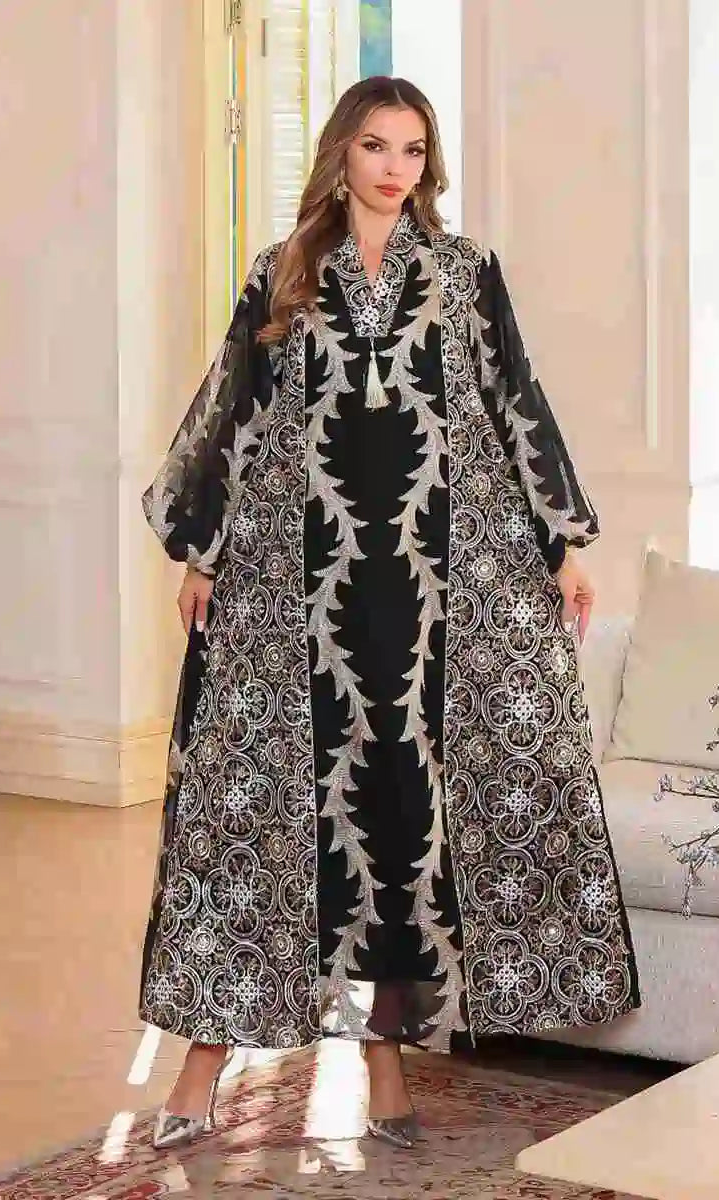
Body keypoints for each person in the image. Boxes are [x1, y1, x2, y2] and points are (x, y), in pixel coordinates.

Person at [139, 76, 639, 1152]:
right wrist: (203, 552)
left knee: (400, 821)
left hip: (428, 595)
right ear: (341, 154)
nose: (395, 169)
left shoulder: (463, 272)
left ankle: (385, 1071)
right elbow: (234, 412)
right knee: (256, 816)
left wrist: (564, 541)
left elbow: (515, 400)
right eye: (376, 146)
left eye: (413, 150)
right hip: (296, 588)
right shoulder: (283, 273)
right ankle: (199, 1071)